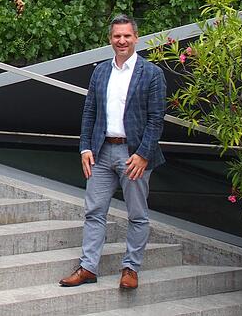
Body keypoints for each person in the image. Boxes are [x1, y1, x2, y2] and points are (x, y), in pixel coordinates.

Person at [59, 15, 166, 290]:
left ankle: (131, 268)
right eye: (117, 36)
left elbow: (156, 119)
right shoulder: (100, 72)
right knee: (94, 211)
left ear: (136, 38)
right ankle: (88, 267)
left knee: (137, 214)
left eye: (127, 36)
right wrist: (85, 147)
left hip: (135, 155)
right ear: (110, 39)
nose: (122, 41)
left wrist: (143, 154)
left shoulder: (151, 73)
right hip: (102, 151)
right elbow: (90, 112)